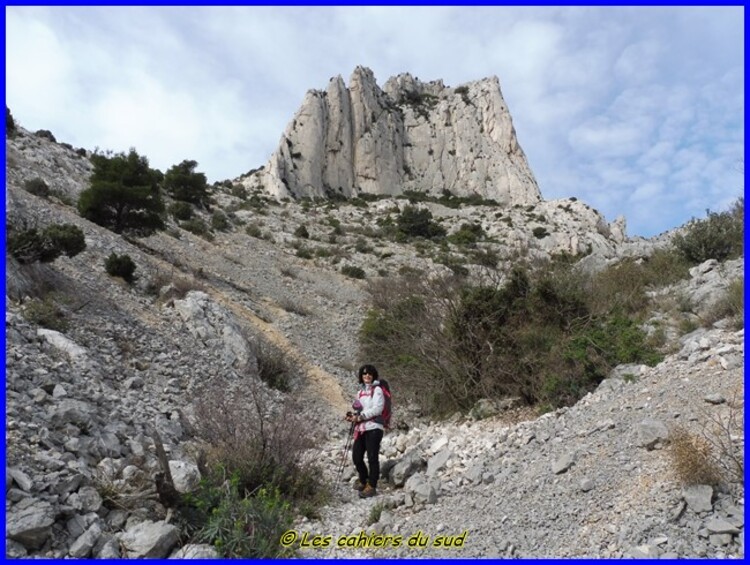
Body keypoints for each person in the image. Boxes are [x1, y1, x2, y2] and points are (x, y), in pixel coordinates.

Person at [345, 364, 385, 498]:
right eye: (364, 374)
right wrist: (352, 416)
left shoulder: (377, 390)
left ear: (373, 375)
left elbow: (377, 409)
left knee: (372, 458)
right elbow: (359, 408)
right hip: (361, 428)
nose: (367, 376)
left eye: (369, 374)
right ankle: (363, 479)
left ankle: (372, 486)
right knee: (356, 456)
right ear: (361, 377)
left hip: (374, 428)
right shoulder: (360, 392)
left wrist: (360, 417)